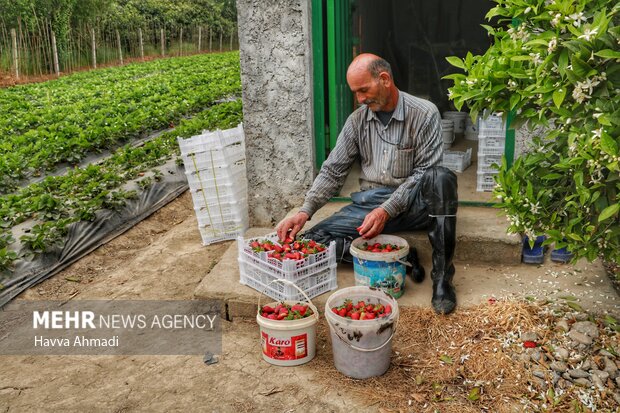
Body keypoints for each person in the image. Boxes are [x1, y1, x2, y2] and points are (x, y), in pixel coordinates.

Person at [276, 53, 458, 314]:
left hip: (415, 204)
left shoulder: (424, 113)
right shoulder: (357, 121)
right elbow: (332, 171)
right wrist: (305, 211)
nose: (360, 99)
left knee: (441, 177)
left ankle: (442, 278)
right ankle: (402, 260)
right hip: (371, 205)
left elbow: (422, 173)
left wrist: (387, 210)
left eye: (364, 90)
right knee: (313, 240)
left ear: (384, 79)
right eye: (356, 92)